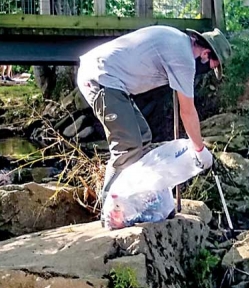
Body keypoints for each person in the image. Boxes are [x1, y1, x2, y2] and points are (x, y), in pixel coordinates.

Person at [77, 25, 231, 210]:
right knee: (127, 146)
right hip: (101, 78)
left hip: (110, 79)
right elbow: (187, 111)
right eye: (212, 66)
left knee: (142, 138)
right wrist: (200, 150)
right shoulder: (184, 59)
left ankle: (129, 201)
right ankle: (109, 208)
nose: (207, 70)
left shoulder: (178, 41)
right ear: (206, 54)